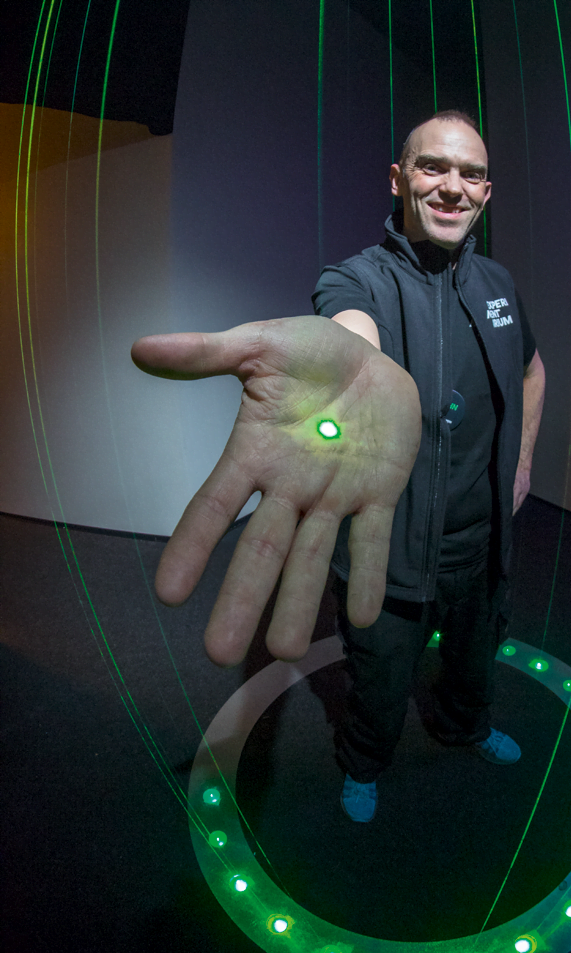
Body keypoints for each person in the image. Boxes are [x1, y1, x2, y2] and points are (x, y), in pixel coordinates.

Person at [131, 110, 545, 824]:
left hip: (482, 546)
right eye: (431, 167)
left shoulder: (498, 283)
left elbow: (533, 369)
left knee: (476, 663)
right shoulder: (356, 279)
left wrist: (521, 466)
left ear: (486, 193)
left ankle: (464, 726)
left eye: (469, 174)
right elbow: (347, 331)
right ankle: (363, 760)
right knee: (380, 680)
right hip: (387, 553)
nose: (451, 187)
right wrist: (348, 361)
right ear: (397, 179)